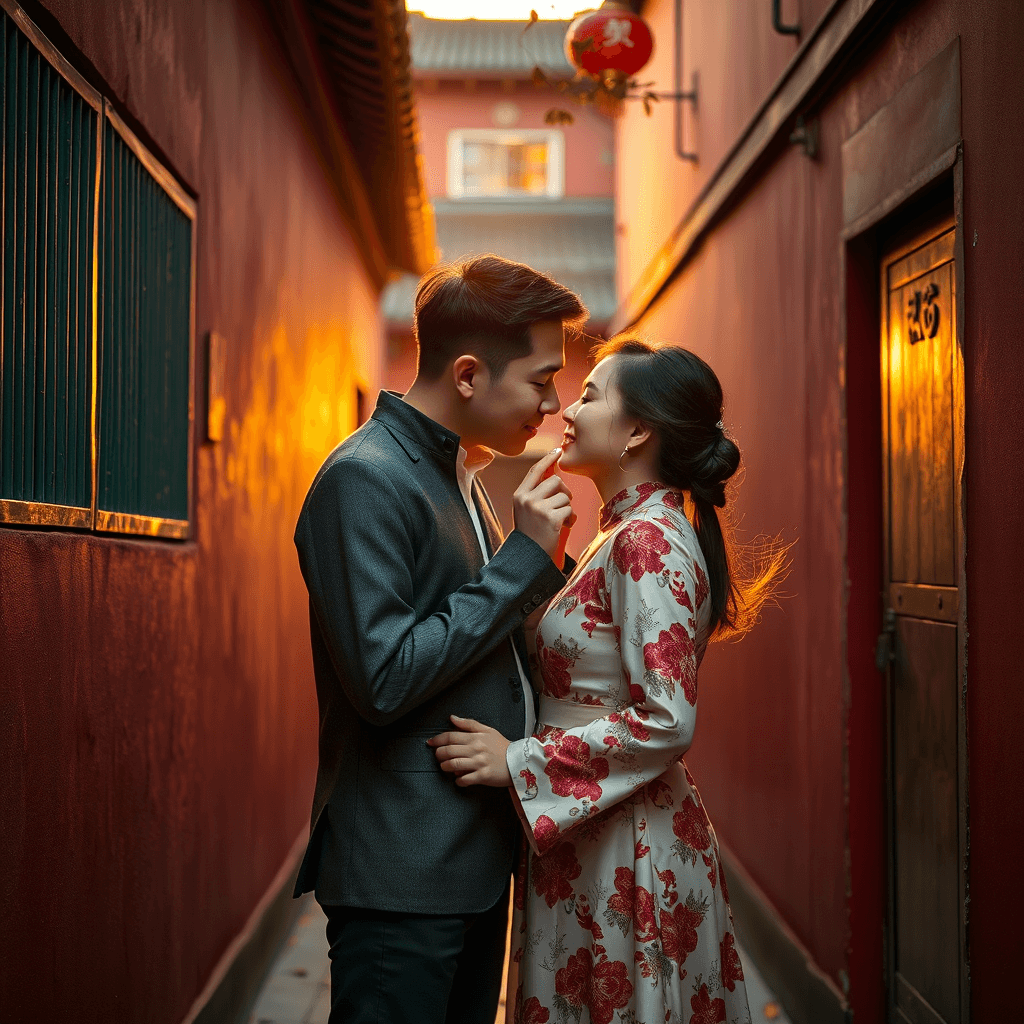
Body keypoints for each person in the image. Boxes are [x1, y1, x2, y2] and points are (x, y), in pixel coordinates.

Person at [431, 334, 786, 1024]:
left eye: (590, 395)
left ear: (637, 430)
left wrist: (519, 761)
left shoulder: (646, 540)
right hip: (598, 832)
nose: (567, 408)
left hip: (626, 847)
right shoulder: (623, 532)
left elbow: (667, 718)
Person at [292, 254, 588, 1024]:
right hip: (402, 874)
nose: (553, 403)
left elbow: (487, 639)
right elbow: (384, 678)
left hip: (468, 865)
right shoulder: (366, 477)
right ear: (466, 374)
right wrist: (522, 560)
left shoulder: (455, 470)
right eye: (540, 379)